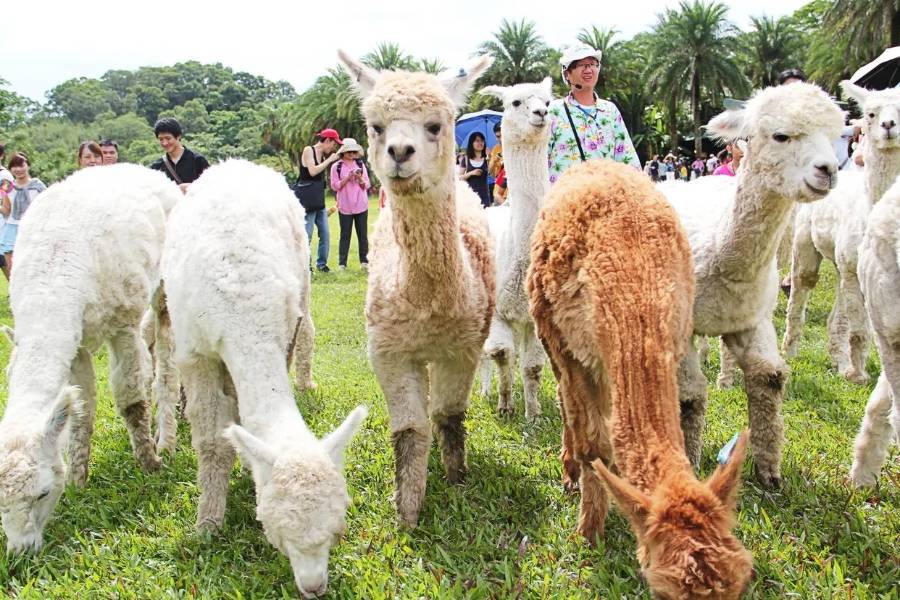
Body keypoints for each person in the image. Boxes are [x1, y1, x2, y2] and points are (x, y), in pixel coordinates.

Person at [547, 45, 640, 183]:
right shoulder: (555, 110)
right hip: (566, 194)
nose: (588, 69)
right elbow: (541, 157)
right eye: (581, 65)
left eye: (592, 64)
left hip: (604, 194)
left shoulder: (610, 110)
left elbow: (627, 158)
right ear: (567, 74)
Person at [299, 128, 342, 272]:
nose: (333, 148)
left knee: (325, 233)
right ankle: (306, 266)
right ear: (327, 140)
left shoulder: (323, 155)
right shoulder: (308, 150)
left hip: (319, 200)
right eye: (333, 144)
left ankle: (322, 264)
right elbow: (312, 171)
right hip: (308, 201)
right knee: (308, 234)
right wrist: (329, 160)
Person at [0, 153, 46, 278]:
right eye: (14, 166)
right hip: (11, 230)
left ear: (28, 166)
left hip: (32, 230)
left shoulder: (38, 185)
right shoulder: (7, 186)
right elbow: (7, 210)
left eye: (21, 165)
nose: (18, 169)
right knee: (12, 270)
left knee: (33, 268)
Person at [330, 138, 370, 271]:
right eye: (349, 152)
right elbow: (334, 186)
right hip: (345, 206)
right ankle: (342, 264)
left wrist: (359, 178)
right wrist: (347, 178)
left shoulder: (360, 164)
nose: (352, 154)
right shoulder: (336, 167)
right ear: (343, 152)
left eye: (354, 151)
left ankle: (364, 262)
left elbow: (367, 185)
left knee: (362, 235)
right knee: (345, 235)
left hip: (361, 205)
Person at [150, 117, 210, 194]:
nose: (164, 143)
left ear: (178, 136)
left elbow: (211, 187)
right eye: (161, 139)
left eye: (168, 138)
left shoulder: (198, 160)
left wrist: (190, 187)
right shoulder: (157, 166)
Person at [458, 132, 491, 208]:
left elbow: (492, 174)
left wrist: (489, 157)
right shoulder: (466, 159)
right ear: (471, 143)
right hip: (470, 196)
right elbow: (459, 178)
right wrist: (471, 173)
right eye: (477, 141)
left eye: (482, 141)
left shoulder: (487, 158)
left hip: (484, 196)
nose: (480, 143)